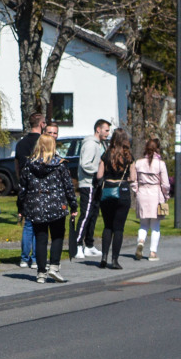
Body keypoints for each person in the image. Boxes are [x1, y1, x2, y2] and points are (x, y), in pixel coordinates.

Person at [17, 135, 78, 284]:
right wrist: (73, 205)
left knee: (40, 238)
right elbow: (68, 187)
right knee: (57, 236)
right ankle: (54, 266)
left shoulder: (29, 165)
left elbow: (22, 188)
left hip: (36, 205)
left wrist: (21, 207)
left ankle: (41, 273)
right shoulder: (60, 165)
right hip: (57, 204)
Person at [96, 128, 134, 269]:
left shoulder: (106, 155)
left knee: (108, 226)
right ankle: (115, 260)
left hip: (107, 192)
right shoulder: (128, 156)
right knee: (119, 228)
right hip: (122, 192)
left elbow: (99, 175)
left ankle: (104, 256)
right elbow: (133, 177)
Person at [75, 119, 112, 260]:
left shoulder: (101, 144)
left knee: (94, 214)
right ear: (98, 129)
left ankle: (89, 245)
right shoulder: (91, 144)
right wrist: (99, 172)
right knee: (85, 214)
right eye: (106, 130)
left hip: (96, 184)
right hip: (88, 183)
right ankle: (78, 245)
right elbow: (85, 164)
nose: (108, 133)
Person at [14, 113, 46, 268]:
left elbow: (17, 165)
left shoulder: (21, 144)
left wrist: (20, 182)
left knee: (28, 224)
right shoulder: (43, 142)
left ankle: (24, 257)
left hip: (25, 185)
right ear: (41, 124)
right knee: (38, 224)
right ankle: (34, 259)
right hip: (40, 185)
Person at [131, 137, 170, 261]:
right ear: (157, 149)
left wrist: (136, 191)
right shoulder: (160, 164)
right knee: (155, 226)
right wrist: (166, 195)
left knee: (143, 225)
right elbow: (166, 184)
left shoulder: (138, 162)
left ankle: (141, 241)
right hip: (156, 194)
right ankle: (153, 252)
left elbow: (134, 180)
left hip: (142, 193)